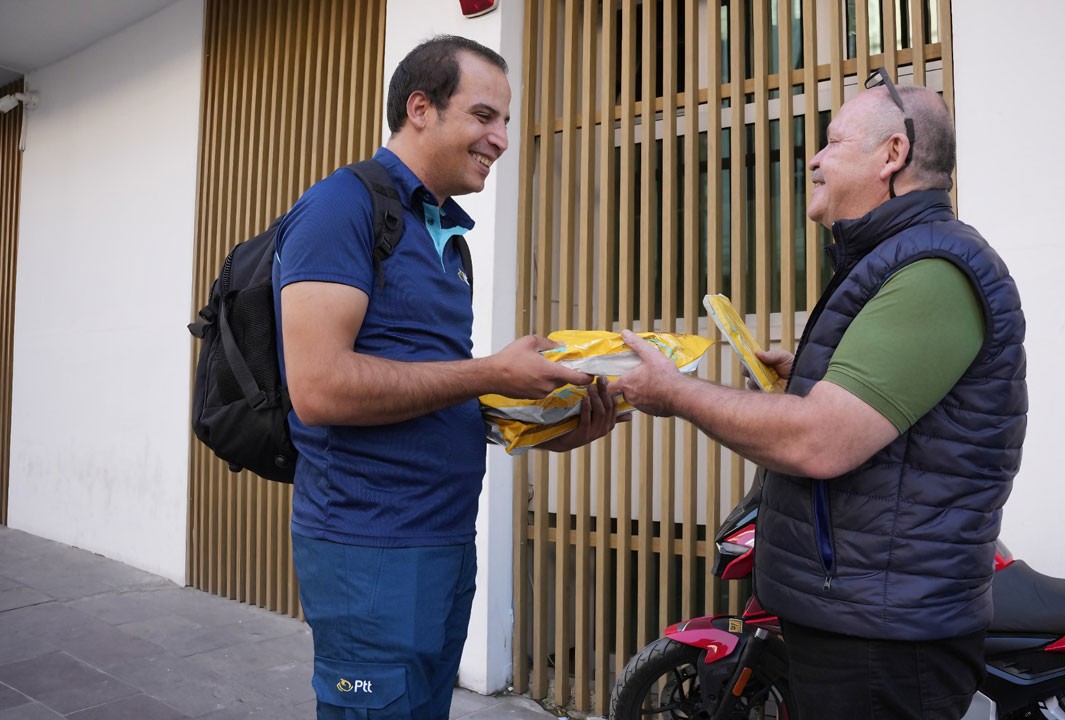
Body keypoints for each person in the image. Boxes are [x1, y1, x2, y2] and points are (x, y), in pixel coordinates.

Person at [613, 71, 1027, 719]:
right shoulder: (892, 258)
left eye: (832, 142)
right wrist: (798, 379)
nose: (813, 158)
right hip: (859, 618)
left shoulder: (933, 271)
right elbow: (891, 419)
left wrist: (677, 393)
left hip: (880, 640)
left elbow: (821, 440)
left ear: (891, 156)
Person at [273, 36, 620, 720]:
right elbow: (318, 389)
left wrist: (547, 425)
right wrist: (491, 369)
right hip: (370, 553)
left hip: (442, 544)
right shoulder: (341, 208)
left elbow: (436, 393)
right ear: (421, 108)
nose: (501, 138)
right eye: (485, 116)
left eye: (507, 122)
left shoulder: (443, 237)